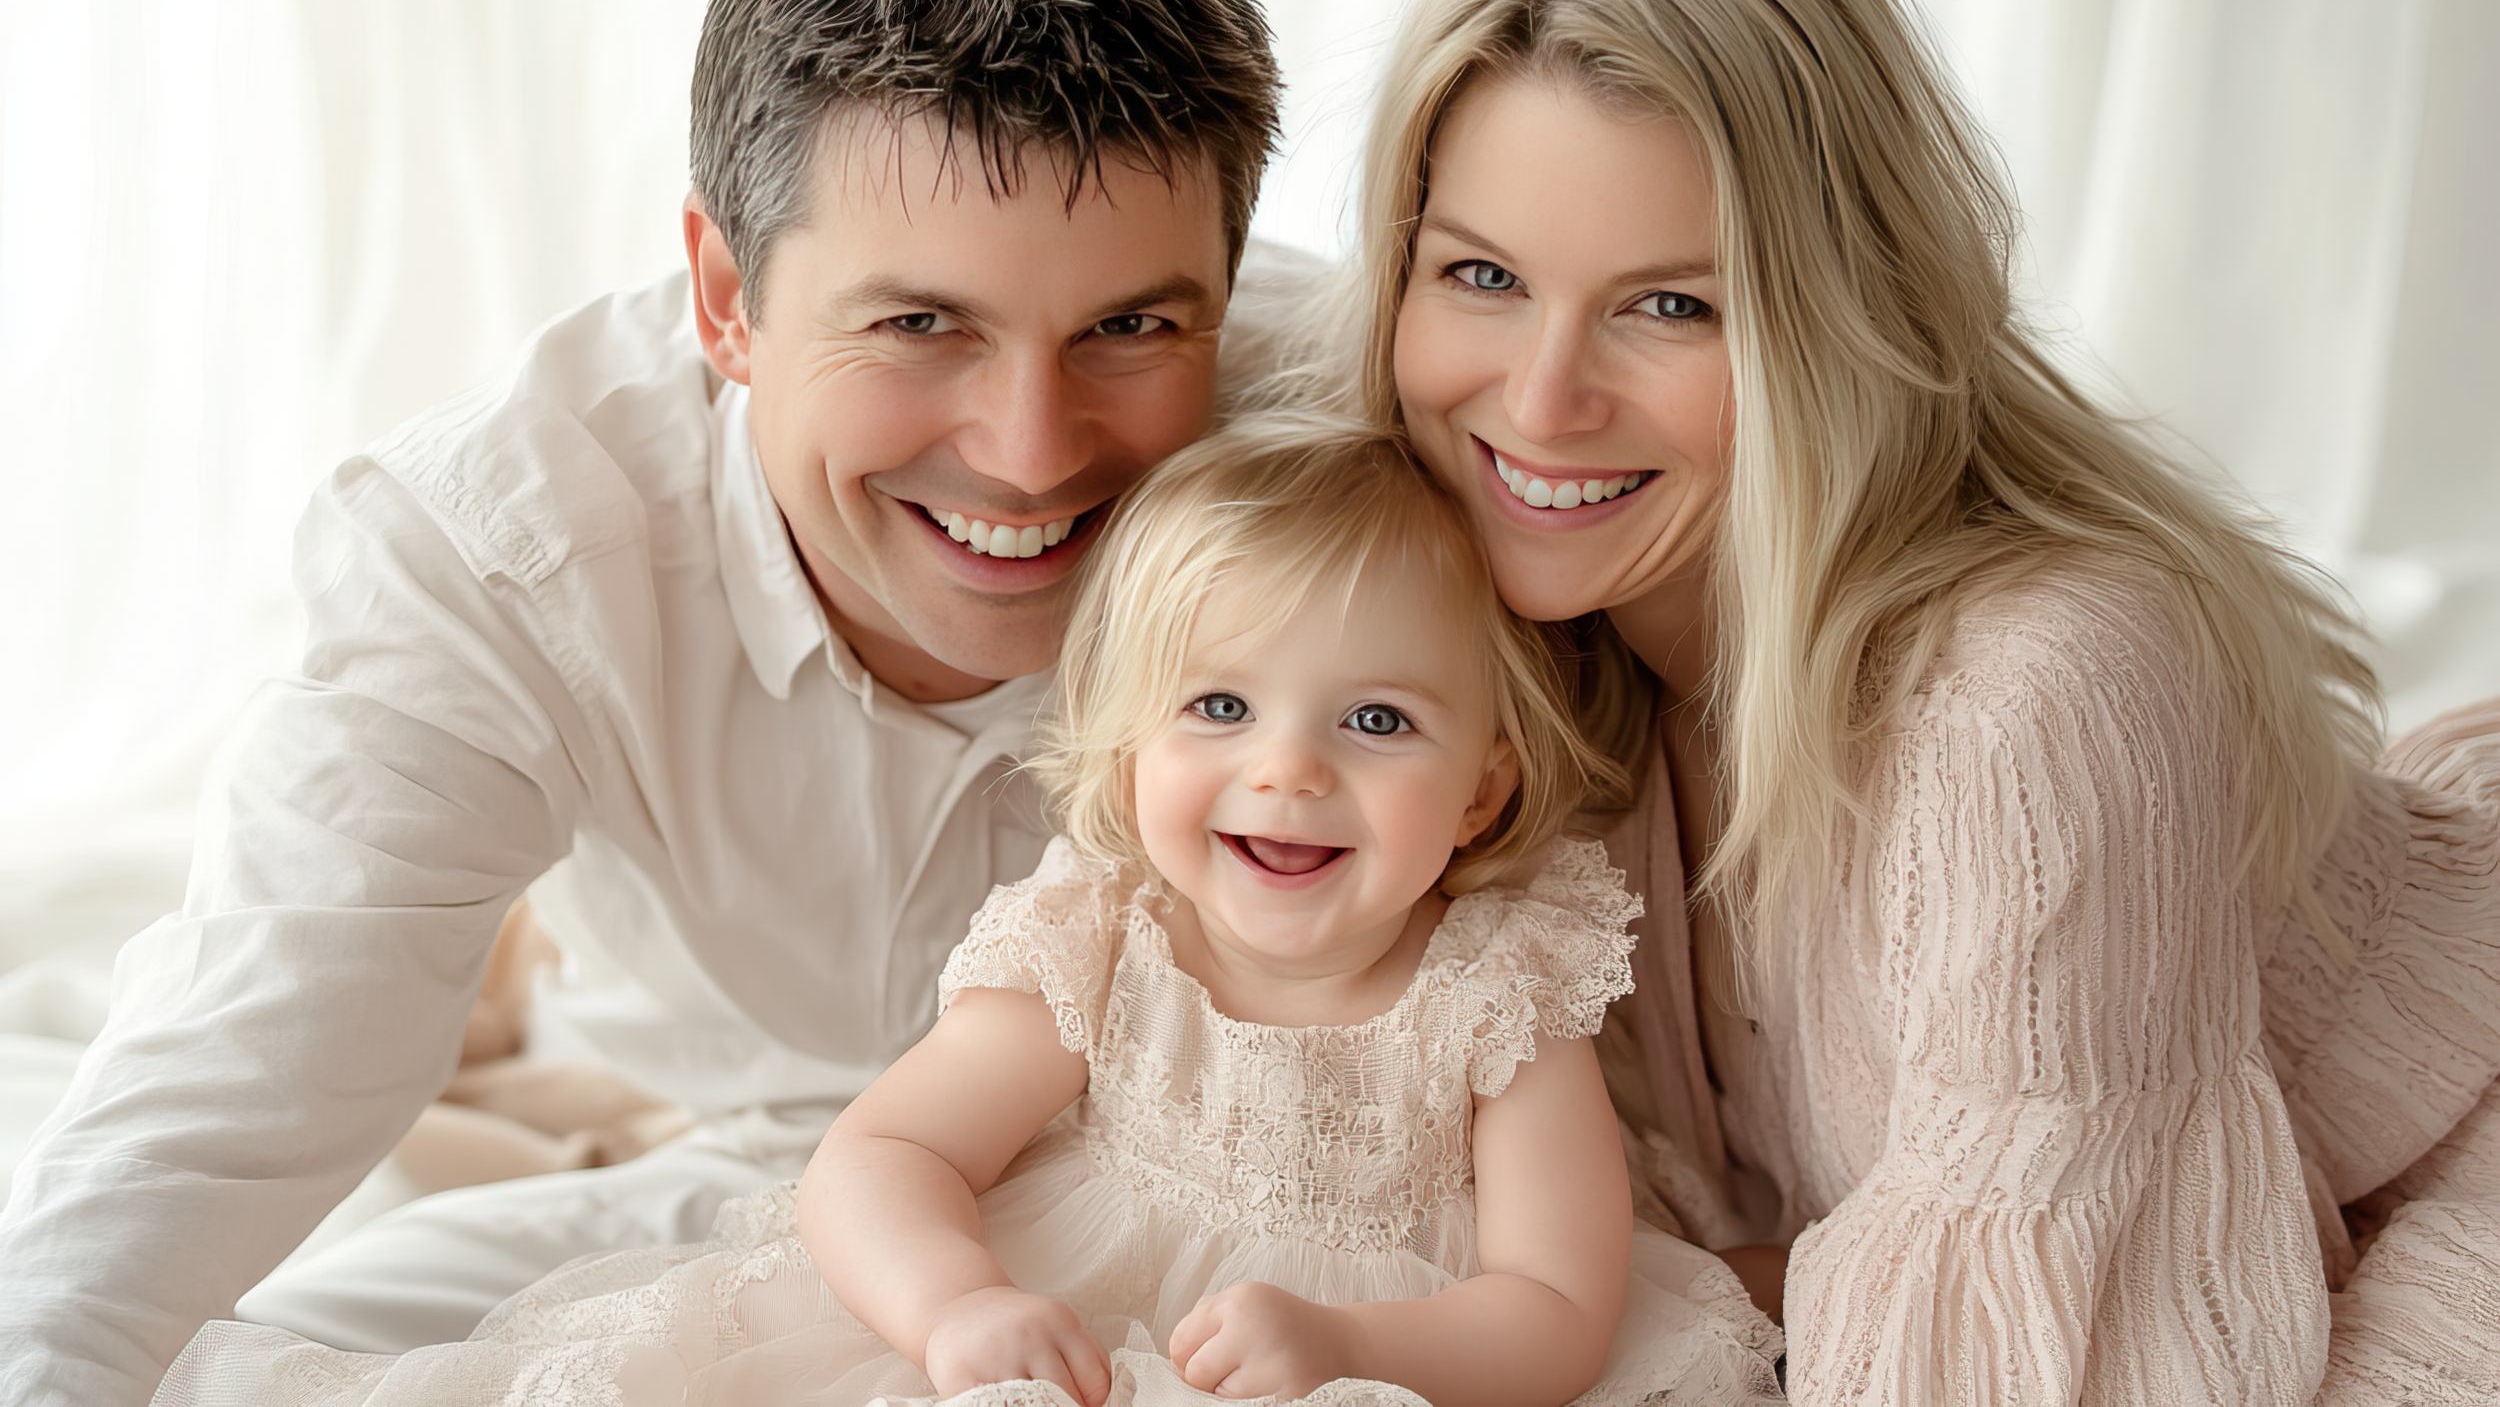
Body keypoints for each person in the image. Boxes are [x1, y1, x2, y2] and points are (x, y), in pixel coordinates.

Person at [0, 0, 1292, 1407]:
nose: (1031, 447)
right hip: (761, 1176)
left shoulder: (1355, 449)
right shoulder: (501, 550)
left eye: (1132, 326)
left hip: (1241, 1222)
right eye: (919, 323)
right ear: (726, 297)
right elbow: (221, 1088)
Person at [1335, 0, 2500, 1402]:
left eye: (1672, 306)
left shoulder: (2028, 700)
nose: (1540, 402)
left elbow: (2070, 1362)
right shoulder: (1454, 603)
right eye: (1481, 274)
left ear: (1840, 319)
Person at [154, 418, 1786, 1406]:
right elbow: (883, 1155)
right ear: (1135, 736)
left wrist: (1358, 1339)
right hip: (1050, 1344)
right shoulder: (1103, 935)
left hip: (1363, 1358)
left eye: (1375, 724)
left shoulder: (1504, 986)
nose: (1285, 776)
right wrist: (956, 1304)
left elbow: (1559, 1306)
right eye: (1218, 708)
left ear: (1488, 788)